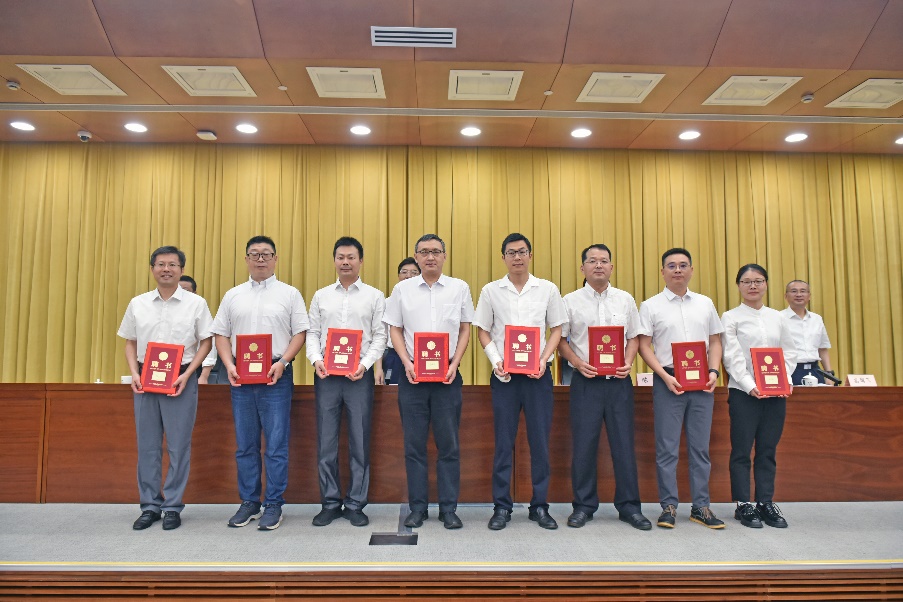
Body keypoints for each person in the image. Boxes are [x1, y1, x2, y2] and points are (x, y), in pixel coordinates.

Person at [211, 235, 309, 531]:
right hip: (240, 376)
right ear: (246, 259)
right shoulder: (233, 295)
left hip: (275, 374)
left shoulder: (289, 294)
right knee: (246, 444)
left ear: (276, 259)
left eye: (266, 254)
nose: (261, 259)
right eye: (254, 254)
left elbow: (300, 333)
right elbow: (221, 334)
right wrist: (229, 365)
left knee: (276, 445)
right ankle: (250, 501)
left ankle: (274, 503)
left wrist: (283, 362)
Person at [473, 233, 566, 531]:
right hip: (505, 377)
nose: (517, 257)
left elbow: (557, 328)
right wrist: (495, 360)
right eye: (511, 252)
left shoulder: (547, 289)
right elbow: (483, 330)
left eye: (522, 251)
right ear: (503, 257)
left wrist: (544, 359)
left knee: (540, 443)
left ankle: (540, 506)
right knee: (503, 443)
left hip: (538, 376)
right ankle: (502, 506)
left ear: (530, 255)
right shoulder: (491, 290)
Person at [117, 246, 213, 531]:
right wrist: (135, 373)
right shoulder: (138, 303)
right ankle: (149, 506)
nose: (166, 269)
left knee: (178, 446)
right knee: (147, 446)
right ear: (152, 269)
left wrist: (190, 374)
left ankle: (172, 506)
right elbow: (130, 341)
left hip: (180, 378)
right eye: (161, 264)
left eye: (172, 264)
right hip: (145, 378)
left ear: (181, 269)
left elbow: (206, 341)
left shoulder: (196, 303)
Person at [383, 234, 474, 530]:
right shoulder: (402, 289)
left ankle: (448, 509)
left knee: (449, 445)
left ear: (444, 256)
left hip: (447, 375)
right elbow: (394, 329)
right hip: (412, 376)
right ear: (416, 257)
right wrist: (407, 363)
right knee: (414, 445)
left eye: (435, 251)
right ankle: (417, 508)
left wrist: (455, 363)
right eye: (424, 252)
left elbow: (465, 329)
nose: (430, 257)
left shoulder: (459, 288)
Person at [557, 244, 651, 531]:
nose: (598, 265)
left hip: (618, 382)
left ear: (612, 267)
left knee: (624, 445)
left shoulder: (625, 299)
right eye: (592, 261)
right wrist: (576, 362)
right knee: (584, 446)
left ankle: (630, 507)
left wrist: (628, 361)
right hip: (585, 382)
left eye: (604, 261)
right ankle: (583, 506)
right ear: (582, 268)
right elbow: (560, 340)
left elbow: (634, 337)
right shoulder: (569, 301)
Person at [637, 248, 725, 529]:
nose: (678, 270)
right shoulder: (650, 306)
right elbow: (643, 345)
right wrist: (664, 375)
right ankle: (669, 506)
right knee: (667, 448)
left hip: (702, 383)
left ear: (691, 270)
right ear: (662, 271)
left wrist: (714, 371)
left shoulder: (705, 303)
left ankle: (701, 506)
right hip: (669, 381)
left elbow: (715, 341)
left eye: (683, 265)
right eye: (672, 265)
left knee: (700, 448)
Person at [306, 236, 387, 527]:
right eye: (340, 257)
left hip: (358, 377)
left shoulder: (375, 296)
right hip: (327, 376)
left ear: (360, 261)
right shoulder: (321, 296)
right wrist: (316, 359)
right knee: (326, 441)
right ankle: (329, 502)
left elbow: (380, 336)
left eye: (351, 257)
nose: (345, 262)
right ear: (334, 261)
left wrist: (365, 365)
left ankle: (355, 503)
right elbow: (312, 333)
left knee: (360, 441)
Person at [722, 264, 795, 528]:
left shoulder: (778, 318)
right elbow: (731, 356)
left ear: (766, 284)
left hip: (775, 394)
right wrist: (749, 384)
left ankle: (765, 502)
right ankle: (743, 504)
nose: (753, 286)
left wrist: (785, 380)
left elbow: (789, 352)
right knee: (741, 450)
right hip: (744, 393)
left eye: (758, 281)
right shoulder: (730, 317)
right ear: (738, 285)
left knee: (767, 450)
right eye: (746, 281)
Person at [375, 257, 420, 385]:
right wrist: (378, 368)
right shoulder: (386, 303)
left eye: (414, 272)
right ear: (398, 276)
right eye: (404, 272)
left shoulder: (428, 303)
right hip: (394, 357)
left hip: (421, 356)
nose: (408, 276)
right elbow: (380, 337)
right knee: (393, 395)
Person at [781, 280, 834, 385]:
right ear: (786, 296)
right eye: (794, 291)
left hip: (815, 371)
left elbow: (822, 349)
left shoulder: (817, 319)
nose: (799, 295)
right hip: (789, 371)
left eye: (803, 291)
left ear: (809, 296)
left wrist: (829, 374)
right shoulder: (778, 318)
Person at [179, 275, 222, 384]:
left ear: (195, 293)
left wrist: (204, 376)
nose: (182, 294)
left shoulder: (199, 310)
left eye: (186, 291)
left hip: (192, 367)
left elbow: (209, 344)